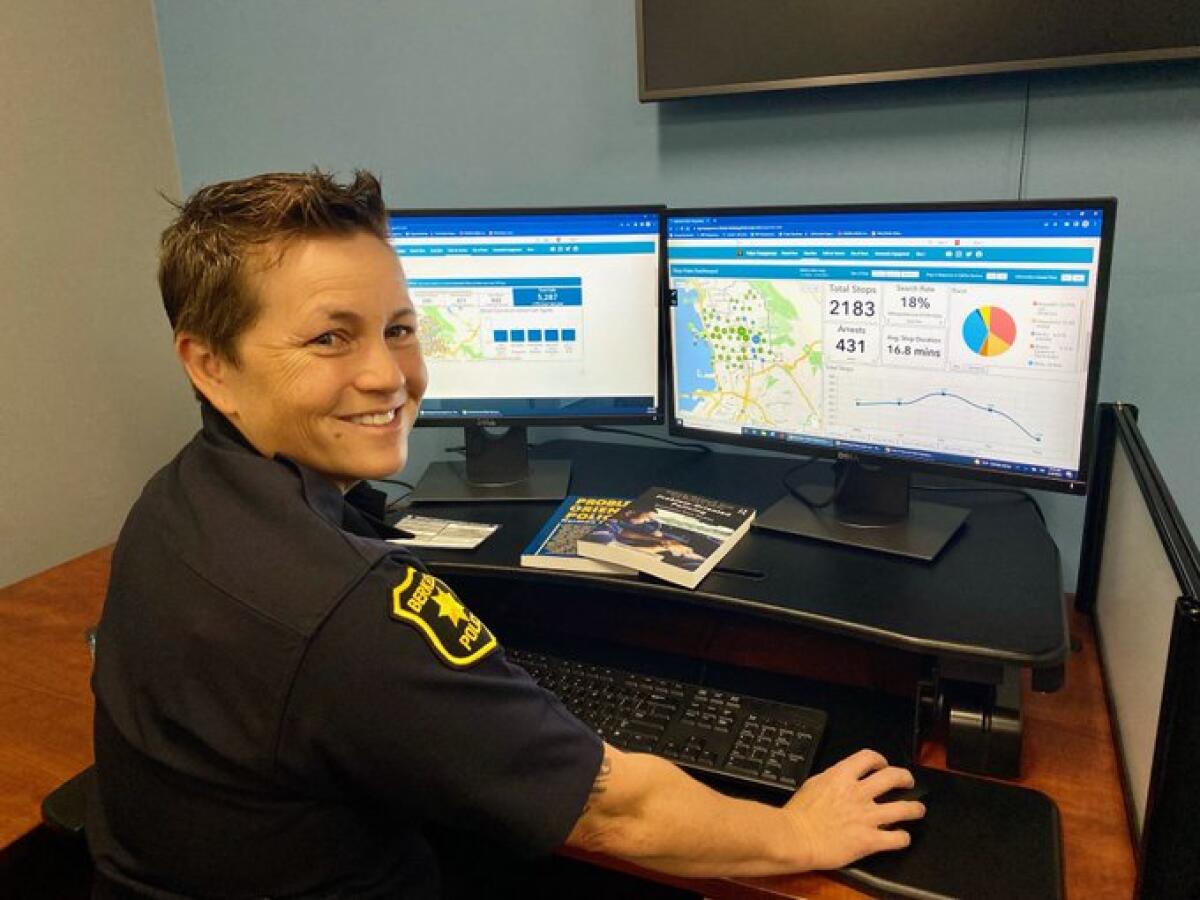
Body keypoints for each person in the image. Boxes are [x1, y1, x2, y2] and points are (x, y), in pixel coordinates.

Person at [87, 170, 924, 899]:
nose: (389, 374)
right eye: (330, 337)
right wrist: (798, 833)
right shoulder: (340, 611)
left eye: (400, 328)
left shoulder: (178, 500)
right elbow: (615, 813)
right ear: (209, 364)